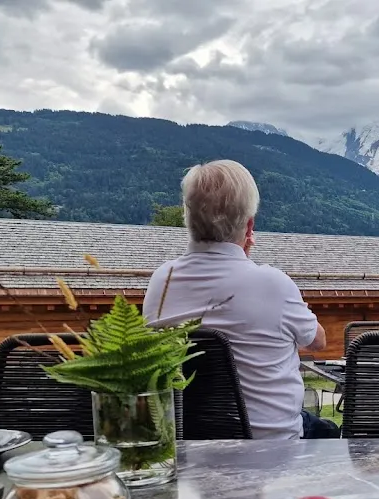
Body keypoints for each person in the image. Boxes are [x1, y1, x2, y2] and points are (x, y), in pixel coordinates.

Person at [142, 159, 339, 440]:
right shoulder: (272, 283)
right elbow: (318, 341)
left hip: (190, 443)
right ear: (249, 227)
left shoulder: (162, 281)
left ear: (188, 218)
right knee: (327, 430)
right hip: (274, 448)